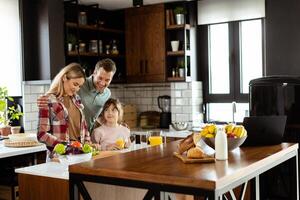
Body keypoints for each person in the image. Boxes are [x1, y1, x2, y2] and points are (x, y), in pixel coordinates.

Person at [38, 58, 116, 132]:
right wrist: (45, 99)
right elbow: (60, 90)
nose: (102, 83)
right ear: (94, 72)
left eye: (107, 80)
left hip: (87, 135)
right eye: (100, 78)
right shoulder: (80, 83)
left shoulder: (107, 94)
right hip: (68, 134)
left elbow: (98, 117)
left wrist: (117, 126)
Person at [37, 63, 90, 150]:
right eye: (75, 84)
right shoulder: (47, 100)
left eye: (79, 86)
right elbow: (41, 135)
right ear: (64, 77)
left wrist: (88, 142)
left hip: (80, 153)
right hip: (59, 156)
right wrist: (66, 145)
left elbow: (84, 126)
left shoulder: (76, 99)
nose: (77, 89)